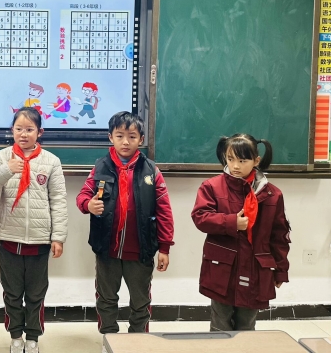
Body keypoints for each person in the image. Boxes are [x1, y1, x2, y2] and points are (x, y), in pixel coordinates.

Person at [76, 111, 174, 336]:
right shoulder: (100, 167)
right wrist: (88, 205)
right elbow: (83, 196)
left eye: (132, 136)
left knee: (141, 301)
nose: (126, 142)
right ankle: (109, 337)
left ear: (141, 139)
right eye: (120, 136)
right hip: (106, 249)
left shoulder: (152, 171)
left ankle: (137, 340)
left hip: (141, 250)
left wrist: (165, 247)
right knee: (106, 298)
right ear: (110, 137)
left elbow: (164, 211)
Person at [0, 107, 68, 353]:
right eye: (19, 129)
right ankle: (15, 336)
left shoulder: (51, 161)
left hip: (40, 241)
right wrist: (8, 169)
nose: (23, 134)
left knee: (35, 294)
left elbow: (58, 200)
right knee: (12, 293)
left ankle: (33, 338)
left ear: (40, 132)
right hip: (9, 238)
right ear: (12, 130)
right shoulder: (2, 157)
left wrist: (58, 237)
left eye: (29, 129)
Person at [191, 134, 290, 331]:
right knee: (220, 325)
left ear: (256, 160)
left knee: (247, 326)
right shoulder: (211, 186)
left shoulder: (272, 194)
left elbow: (279, 236)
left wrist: (281, 270)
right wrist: (231, 222)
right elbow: (200, 217)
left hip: (256, 269)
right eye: (230, 159)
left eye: (242, 161)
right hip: (222, 269)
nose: (235, 166)